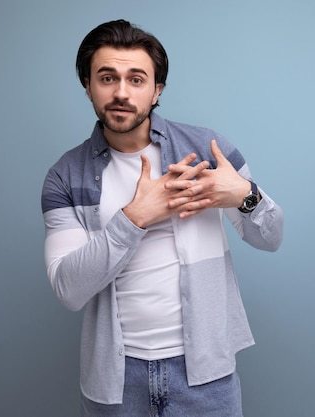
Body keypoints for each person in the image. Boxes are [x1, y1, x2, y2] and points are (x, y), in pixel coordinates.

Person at [41, 19, 284, 416]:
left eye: (137, 79)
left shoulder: (208, 151)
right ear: (88, 85)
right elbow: (68, 289)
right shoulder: (66, 175)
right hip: (117, 381)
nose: (121, 92)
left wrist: (244, 195)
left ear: (157, 90)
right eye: (107, 77)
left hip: (206, 375)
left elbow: (271, 236)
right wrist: (134, 217)